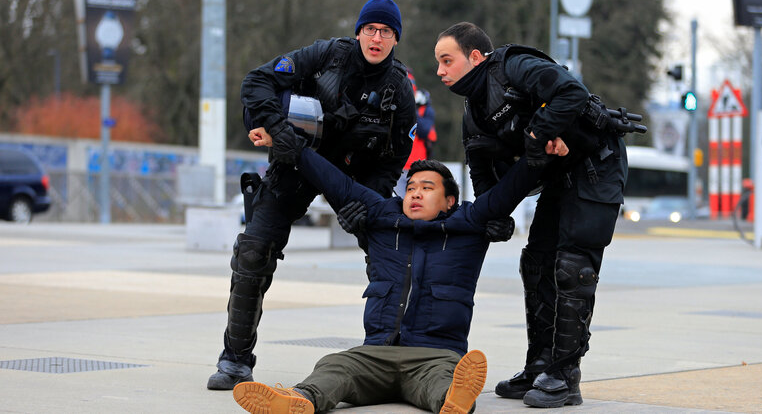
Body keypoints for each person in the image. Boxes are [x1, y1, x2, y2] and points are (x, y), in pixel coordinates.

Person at [231, 132, 544, 413]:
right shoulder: (382, 216)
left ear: (449, 201)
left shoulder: (471, 225)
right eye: (410, 188)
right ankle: (301, 398)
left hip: (435, 356)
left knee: (443, 383)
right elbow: (333, 181)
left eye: (427, 187)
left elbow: (510, 189)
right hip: (375, 354)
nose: (416, 193)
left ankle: (454, 400)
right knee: (334, 364)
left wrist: (541, 146)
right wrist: (290, 145)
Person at [207, 0, 417, 390]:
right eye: (370, 29)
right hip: (296, 165)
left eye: (386, 32)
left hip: (352, 181)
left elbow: (395, 159)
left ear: (395, 39)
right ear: (358, 32)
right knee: (254, 249)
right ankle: (235, 360)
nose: (376, 38)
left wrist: (368, 200)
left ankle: (392, 359)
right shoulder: (325, 55)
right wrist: (277, 128)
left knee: (390, 251)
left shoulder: (400, 90)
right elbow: (256, 81)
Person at [434, 22, 634, 408]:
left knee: (572, 266)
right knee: (537, 263)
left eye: (447, 60)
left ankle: (564, 374)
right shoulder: (473, 111)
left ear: (475, 57)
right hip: (559, 174)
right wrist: (492, 214)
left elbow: (570, 92)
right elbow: (481, 169)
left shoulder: (513, 66)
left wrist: (536, 135)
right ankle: (540, 364)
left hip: (597, 165)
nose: (440, 71)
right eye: (438, 63)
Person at [394, 70, 438, 197]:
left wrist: (409, 107)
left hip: (418, 166)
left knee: (418, 205)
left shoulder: (425, 108)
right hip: (398, 166)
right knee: (399, 205)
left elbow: (424, 131)